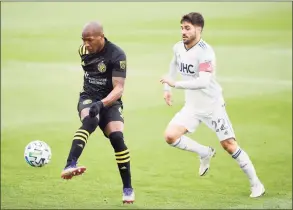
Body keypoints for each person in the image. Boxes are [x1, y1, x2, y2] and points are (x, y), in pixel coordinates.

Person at [160, 12, 265, 198]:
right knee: (170, 136)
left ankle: (256, 184)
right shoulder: (178, 48)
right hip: (192, 107)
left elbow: (203, 82)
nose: (183, 32)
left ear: (198, 29)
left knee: (229, 145)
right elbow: (173, 65)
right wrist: (167, 89)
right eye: (182, 28)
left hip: (212, 106)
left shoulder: (205, 52)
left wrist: (176, 84)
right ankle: (204, 153)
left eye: (187, 28)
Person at [60, 21, 135, 204]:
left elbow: (119, 88)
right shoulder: (83, 51)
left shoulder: (117, 55)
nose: (86, 44)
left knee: (117, 138)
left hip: (110, 101)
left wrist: (102, 103)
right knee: (91, 121)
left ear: (102, 37)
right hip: (88, 97)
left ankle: (128, 188)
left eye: (90, 40)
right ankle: (70, 165)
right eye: (83, 40)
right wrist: (94, 102)